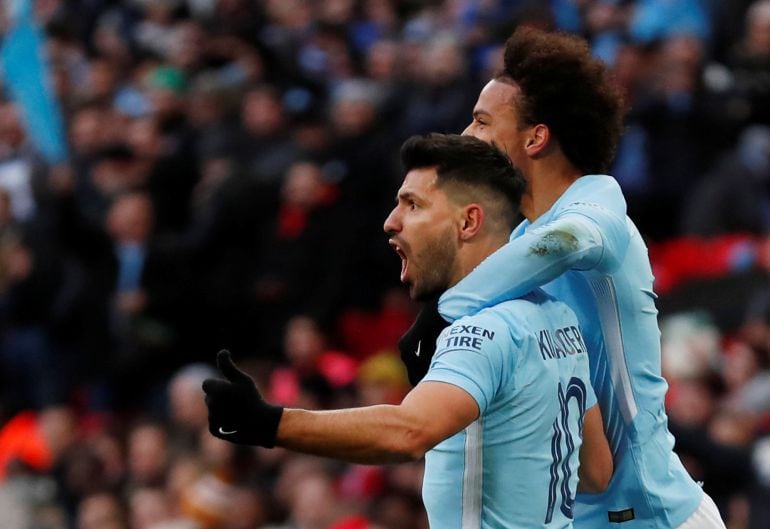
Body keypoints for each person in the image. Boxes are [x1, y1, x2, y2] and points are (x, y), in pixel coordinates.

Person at [398, 27, 727, 528]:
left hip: (658, 516)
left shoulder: (597, 207)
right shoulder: (521, 240)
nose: (467, 136)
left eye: (482, 121)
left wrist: (443, 311)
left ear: (536, 137)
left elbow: (568, 242)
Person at [203, 133, 612, 528]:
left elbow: (408, 432)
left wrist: (267, 423)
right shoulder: (557, 317)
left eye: (412, 205)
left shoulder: (483, 330)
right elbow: (595, 471)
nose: (390, 222)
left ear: (468, 221)